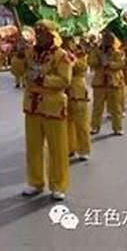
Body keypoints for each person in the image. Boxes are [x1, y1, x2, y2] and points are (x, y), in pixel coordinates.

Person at [21, 20, 73, 201]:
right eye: (37, 32)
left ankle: (58, 185)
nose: (39, 35)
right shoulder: (29, 53)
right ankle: (35, 182)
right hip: (32, 105)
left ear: (52, 35)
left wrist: (43, 78)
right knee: (33, 147)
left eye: (43, 32)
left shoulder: (61, 55)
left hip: (53, 105)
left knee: (57, 148)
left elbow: (65, 80)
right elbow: (17, 71)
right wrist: (18, 56)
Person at [89, 31, 126, 135]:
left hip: (113, 82)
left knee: (116, 107)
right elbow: (91, 62)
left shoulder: (118, 52)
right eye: (105, 39)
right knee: (97, 107)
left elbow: (121, 64)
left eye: (109, 39)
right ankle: (95, 127)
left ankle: (117, 128)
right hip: (99, 83)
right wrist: (99, 60)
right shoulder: (96, 51)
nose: (106, 41)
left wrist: (109, 63)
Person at [65, 37, 91, 161]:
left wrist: (72, 59)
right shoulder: (54, 53)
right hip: (61, 92)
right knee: (66, 124)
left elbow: (82, 68)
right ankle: (69, 148)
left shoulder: (81, 53)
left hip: (77, 90)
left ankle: (83, 149)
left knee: (81, 123)